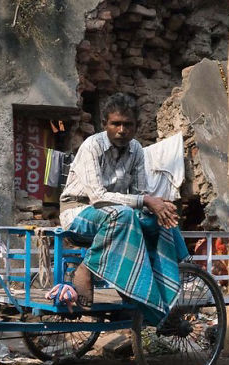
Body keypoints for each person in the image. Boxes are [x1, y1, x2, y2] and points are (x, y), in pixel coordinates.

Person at [58, 92, 187, 323]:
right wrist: (146, 201)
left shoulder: (136, 149)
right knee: (125, 214)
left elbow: (138, 193)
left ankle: (157, 287)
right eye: (115, 124)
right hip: (78, 211)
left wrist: (159, 206)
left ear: (136, 127)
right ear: (104, 124)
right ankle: (86, 268)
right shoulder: (92, 146)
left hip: (117, 216)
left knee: (156, 219)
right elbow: (98, 197)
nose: (121, 130)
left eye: (128, 125)